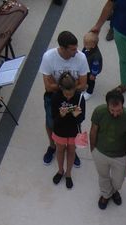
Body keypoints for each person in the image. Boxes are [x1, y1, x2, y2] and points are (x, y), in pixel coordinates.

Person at [39, 32, 90, 167]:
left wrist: (63, 88)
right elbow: (48, 87)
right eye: (72, 49)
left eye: (76, 48)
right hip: (53, 98)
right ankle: (52, 146)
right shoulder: (49, 57)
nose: (76, 51)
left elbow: (83, 84)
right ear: (62, 48)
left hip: (74, 97)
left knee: (75, 122)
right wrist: (71, 86)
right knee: (51, 123)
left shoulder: (81, 57)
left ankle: (72, 149)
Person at [90, 88, 126, 209]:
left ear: (122, 105)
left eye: (118, 110)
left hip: (120, 155)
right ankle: (106, 195)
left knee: (119, 180)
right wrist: (93, 149)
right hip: (100, 152)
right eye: (112, 110)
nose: (115, 113)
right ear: (107, 106)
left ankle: (115, 190)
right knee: (103, 176)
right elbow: (93, 130)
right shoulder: (99, 112)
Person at [48, 72, 84, 188]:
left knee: (71, 151)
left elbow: (82, 117)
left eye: (71, 94)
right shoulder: (55, 97)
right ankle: (60, 170)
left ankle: (68, 173)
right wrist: (61, 115)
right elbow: (53, 117)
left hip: (73, 131)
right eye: (66, 94)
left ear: (75, 89)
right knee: (59, 150)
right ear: (61, 89)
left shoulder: (79, 97)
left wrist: (77, 115)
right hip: (60, 130)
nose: (69, 97)